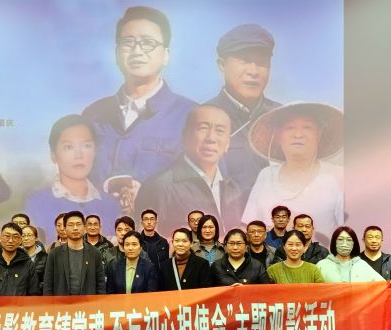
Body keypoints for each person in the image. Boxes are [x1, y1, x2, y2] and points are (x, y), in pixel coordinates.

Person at [83, 6, 196, 214]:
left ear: (166, 55)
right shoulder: (93, 114)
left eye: (148, 43)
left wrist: (150, 195)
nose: (137, 51)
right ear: (117, 53)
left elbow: (207, 189)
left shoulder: (192, 116)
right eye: (128, 42)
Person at [242, 102, 344, 241]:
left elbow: (352, 236)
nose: (298, 134)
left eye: (307, 127)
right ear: (279, 136)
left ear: (319, 135)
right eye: (290, 128)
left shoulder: (338, 176)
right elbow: (248, 227)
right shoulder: (266, 175)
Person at [134, 104, 242, 236]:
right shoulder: (158, 187)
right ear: (185, 136)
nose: (211, 139)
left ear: (228, 143)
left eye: (219, 131)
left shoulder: (233, 189)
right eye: (203, 128)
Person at [205, 24, 281, 210]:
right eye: (244, 60)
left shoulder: (284, 118)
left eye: (261, 62)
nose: (253, 71)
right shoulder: (200, 120)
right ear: (221, 65)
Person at [24, 114, 120, 240]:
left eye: (86, 146)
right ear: (53, 155)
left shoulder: (111, 204)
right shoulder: (37, 203)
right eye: (68, 147)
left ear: (95, 152)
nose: (79, 155)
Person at [245, 220, 276, 330]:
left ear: (265, 234)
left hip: (267, 302)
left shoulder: (274, 252)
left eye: (260, 231)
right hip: (245, 302)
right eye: (252, 232)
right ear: (247, 235)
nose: (256, 235)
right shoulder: (241, 251)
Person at [22, 224, 48, 330]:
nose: (26, 238)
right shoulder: (16, 256)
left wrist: (36, 289)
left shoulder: (45, 257)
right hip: (20, 306)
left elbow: (47, 280)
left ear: (36, 237)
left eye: (29, 235)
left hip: (38, 305)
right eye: (23, 235)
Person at [138, 209, 170, 274]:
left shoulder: (163, 242)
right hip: (142, 277)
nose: (149, 222)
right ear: (142, 223)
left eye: (152, 219)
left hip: (161, 277)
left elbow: (167, 262)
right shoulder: (137, 241)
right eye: (146, 219)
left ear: (156, 222)